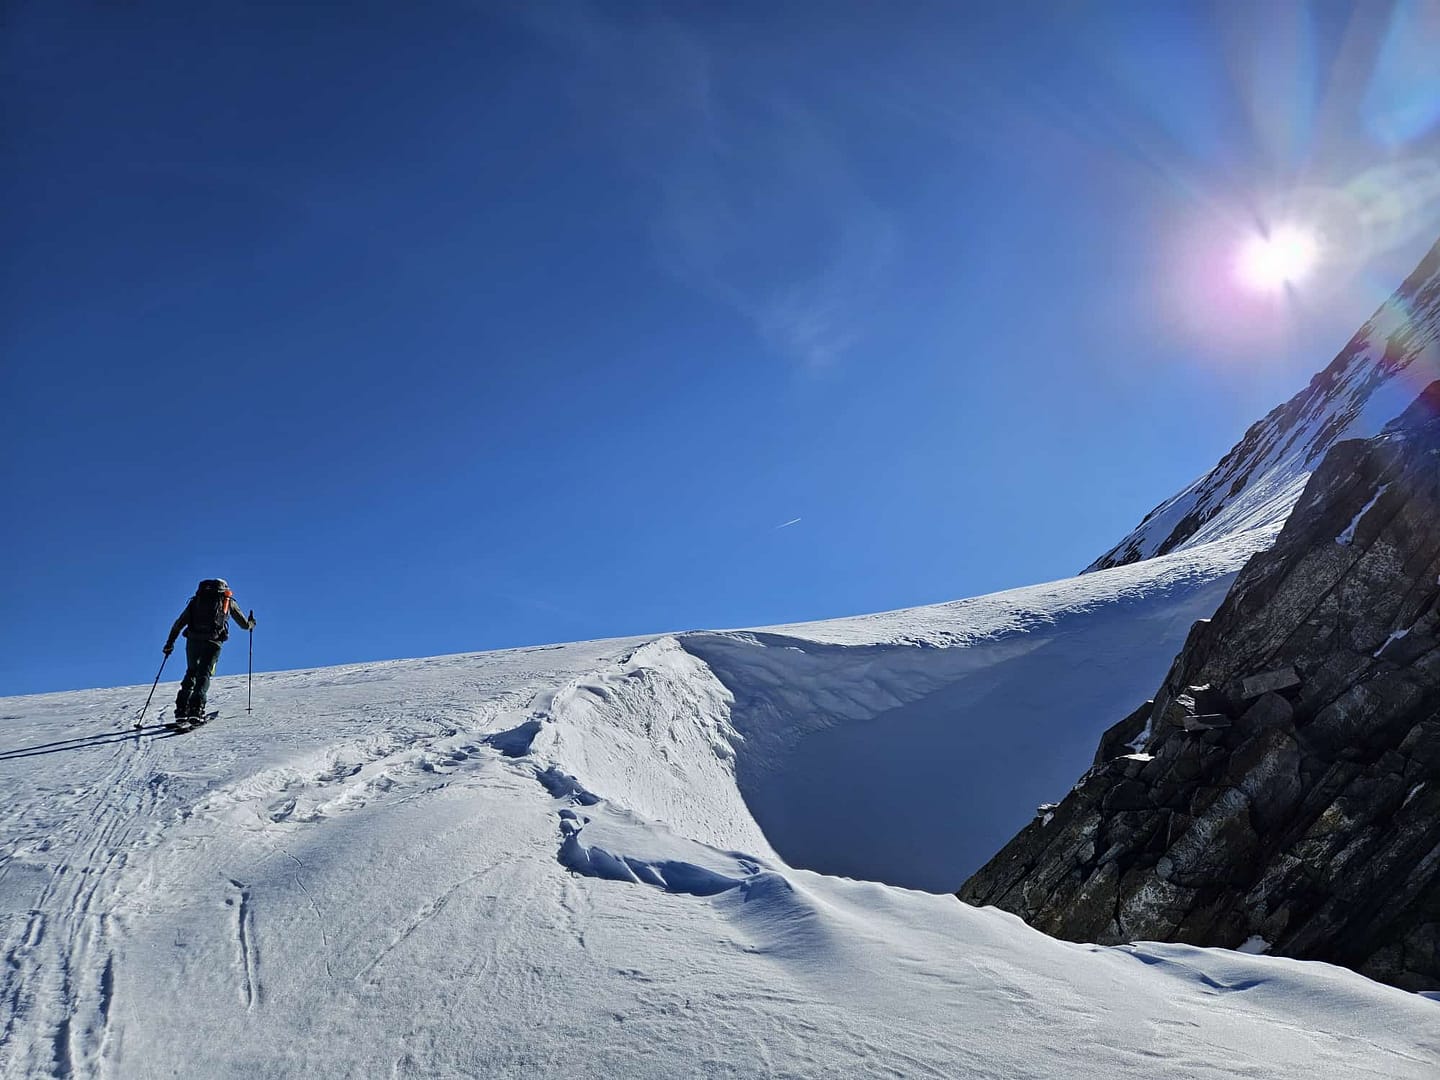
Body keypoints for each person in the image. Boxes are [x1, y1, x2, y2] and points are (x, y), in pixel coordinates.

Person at [164, 578, 256, 722]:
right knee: (204, 673)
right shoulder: (227, 600)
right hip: (213, 641)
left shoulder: (196, 601)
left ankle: (181, 709)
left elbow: (178, 624)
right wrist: (252, 623)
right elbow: (244, 625)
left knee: (191, 671)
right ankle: (196, 709)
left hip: (193, 640)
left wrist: (170, 643)